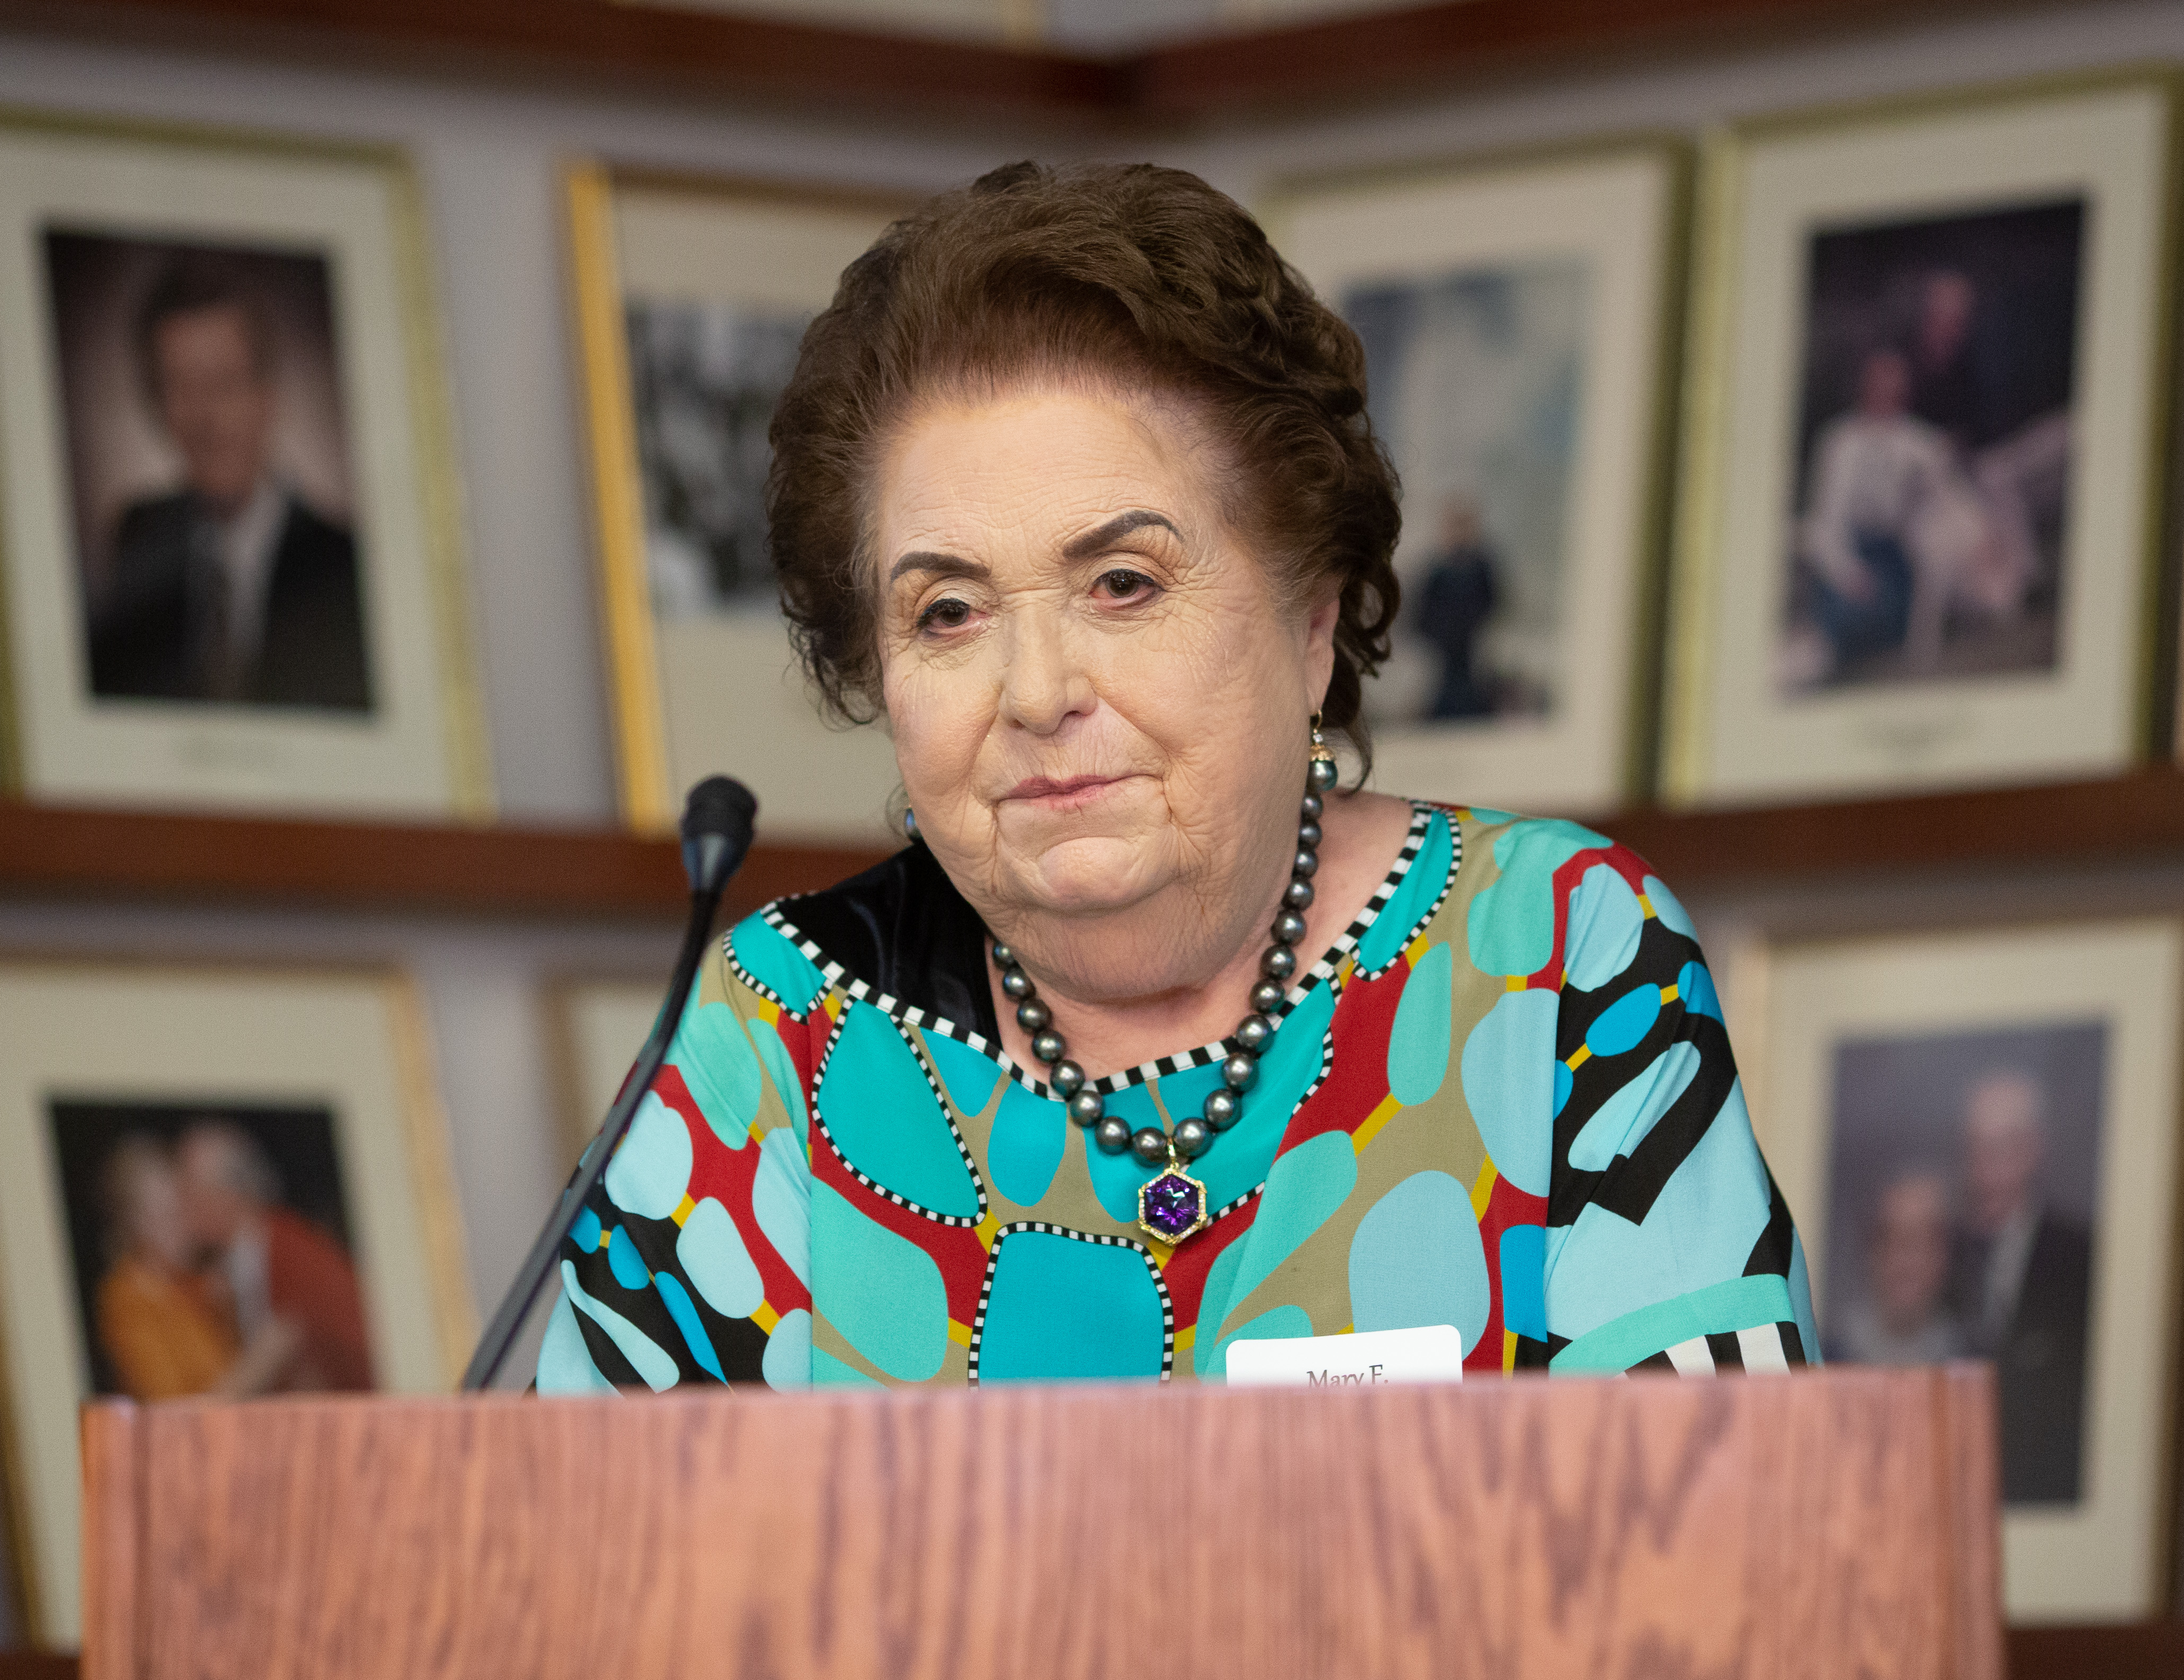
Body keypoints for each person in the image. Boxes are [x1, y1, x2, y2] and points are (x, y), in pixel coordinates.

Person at [537, 161, 1814, 1393]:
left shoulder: (1558, 955)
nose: (1035, 691)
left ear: (1310, 618)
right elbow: (587, 1580)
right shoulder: (764, 1039)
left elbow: (1725, 1552)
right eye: (945, 612)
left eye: (1123, 583)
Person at [86, 258, 372, 710]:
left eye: (224, 383)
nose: (208, 419)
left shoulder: (344, 565)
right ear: (157, 405)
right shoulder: (137, 541)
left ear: (268, 394)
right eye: (182, 388)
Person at [1948, 1071, 2091, 1503]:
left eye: (1999, 1149)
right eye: (1973, 1148)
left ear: (2033, 1151)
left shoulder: (2078, 1257)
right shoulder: (1945, 1255)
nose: (1983, 1169)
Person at [91, 1135, 300, 1400]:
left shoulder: (202, 1281)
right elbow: (173, 1415)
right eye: (161, 1214)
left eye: (179, 1208)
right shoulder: (127, 1299)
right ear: (130, 1226)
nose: (179, 1225)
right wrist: (264, 1358)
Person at [176, 1122, 376, 1392]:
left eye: (191, 1191)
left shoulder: (288, 1247)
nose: (182, 1205)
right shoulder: (245, 1256)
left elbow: (275, 1350)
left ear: (227, 1195)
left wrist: (197, 1415)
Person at [1826, 1170, 1966, 1366]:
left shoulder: (1970, 1368)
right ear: (1872, 1252)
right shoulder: (1829, 1363)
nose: (1906, 1263)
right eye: (1894, 1241)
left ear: (1942, 1257)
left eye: (1921, 1244)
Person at [1405, 494, 1500, 721]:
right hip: (1445, 655)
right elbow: (1420, 613)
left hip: (1472, 653)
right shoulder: (1437, 573)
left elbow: (1493, 605)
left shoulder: (1481, 569)